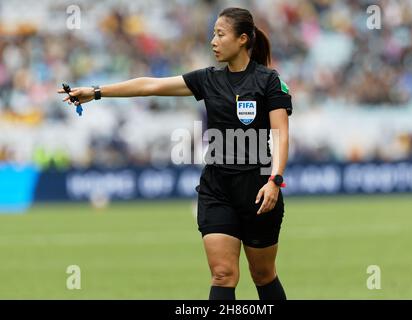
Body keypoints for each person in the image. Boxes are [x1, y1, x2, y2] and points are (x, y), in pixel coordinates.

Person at [58, 7, 292, 300]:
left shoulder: (268, 80)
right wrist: (96, 91)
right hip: (217, 189)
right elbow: (150, 85)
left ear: (243, 39)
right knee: (223, 274)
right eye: (213, 34)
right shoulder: (208, 79)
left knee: (263, 275)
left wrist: (275, 180)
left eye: (220, 34)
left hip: (258, 189)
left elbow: (280, 134)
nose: (213, 41)